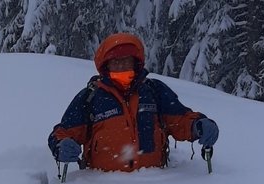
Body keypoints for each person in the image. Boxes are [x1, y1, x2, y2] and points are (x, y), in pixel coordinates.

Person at [48, 33, 219, 172]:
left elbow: (180, 120)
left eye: (126, 61)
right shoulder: (90, 97)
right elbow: (62, 132)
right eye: (116, 62)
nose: (121, 66)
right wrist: (61, 145)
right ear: (105, 66)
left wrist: (199, 125)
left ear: (136, 62)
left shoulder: (154, 91)